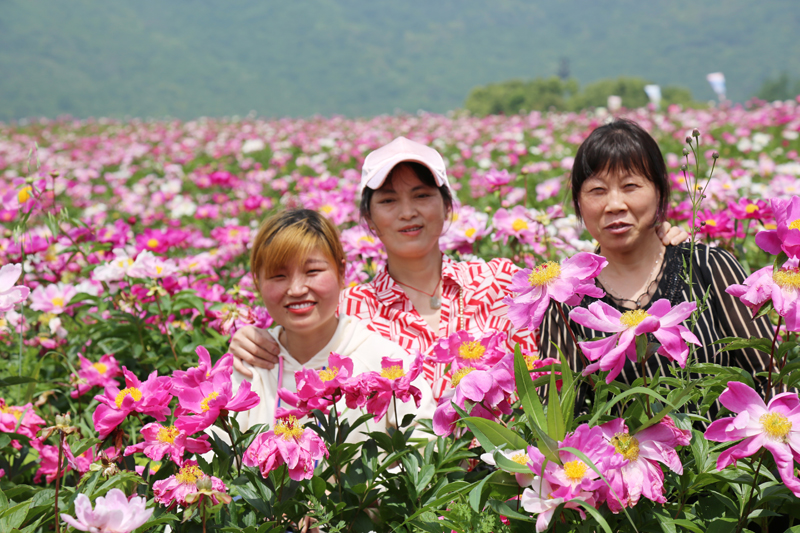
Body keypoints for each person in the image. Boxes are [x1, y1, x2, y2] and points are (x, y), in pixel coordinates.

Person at [231, 136, 689, 400]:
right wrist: (248, 335)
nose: (408, 212)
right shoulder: (349, 310)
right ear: (369, 220)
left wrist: (657, 244)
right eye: (389, 201)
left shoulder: (500, 279)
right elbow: (291, 335)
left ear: (448, 207)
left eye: (422, 196)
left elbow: (577, 282)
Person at [539, 119, 772, 391]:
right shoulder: (565, 299)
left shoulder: (707, 265)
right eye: (597, 190)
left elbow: (769, 377)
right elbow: (558, 413)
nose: (614, 205)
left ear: (659, 191)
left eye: (630, 186)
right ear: (578, 201)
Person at [231, 208, 434, 438]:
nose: (296, 290)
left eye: (313, 271)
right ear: (257, 283)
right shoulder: (248, 365)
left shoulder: (384, 361)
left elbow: (427, 443)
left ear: (341, 272)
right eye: (279, 276)